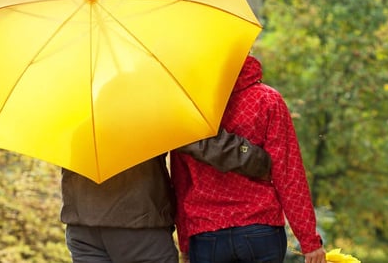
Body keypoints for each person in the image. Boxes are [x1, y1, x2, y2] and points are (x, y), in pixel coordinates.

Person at [171, 55, 326, 263]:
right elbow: (288, 174)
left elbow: (181, 182)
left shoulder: (190, 112)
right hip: (260, 229)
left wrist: (186, 244)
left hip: (206, 233)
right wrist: (309, 242)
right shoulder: (268, 101)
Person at [62, 128, 272, 263]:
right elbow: (198, 140)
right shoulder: (141, 107)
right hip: (138, 227)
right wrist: (257, 161)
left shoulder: (74, 111)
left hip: (81, 230)